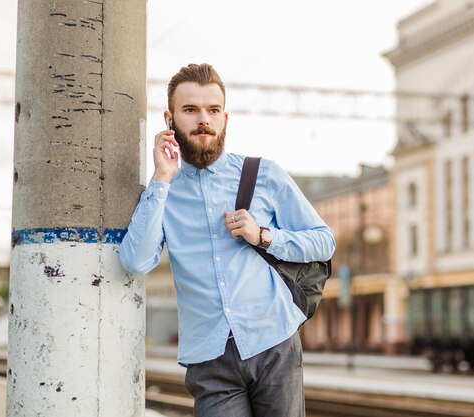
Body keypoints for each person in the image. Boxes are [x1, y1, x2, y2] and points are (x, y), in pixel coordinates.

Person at [119, 63, 335, 417]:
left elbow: (324, 241)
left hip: (274, 342)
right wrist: (160, 178)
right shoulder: (162, 192)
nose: (203, 119)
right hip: (210, 358)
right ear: (169, 120)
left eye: (213, 110)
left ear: (225, 118)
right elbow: (135, 261)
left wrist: (264, 236)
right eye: (190, 110)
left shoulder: (263, 174)